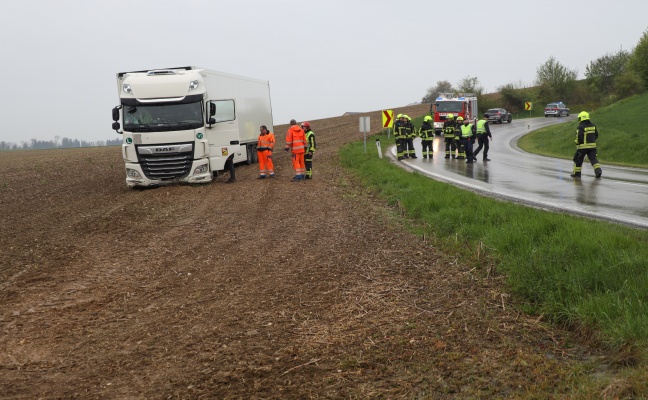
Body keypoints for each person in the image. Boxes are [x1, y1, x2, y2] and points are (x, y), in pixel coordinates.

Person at [571, 111, 602, 178]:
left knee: (578, 160)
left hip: (582, 147)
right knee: (593, 159)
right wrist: (592, 141)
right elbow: (596, 135)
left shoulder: (580, 127)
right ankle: (598, 171)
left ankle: (577, 174)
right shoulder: (593, 126)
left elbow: (579, 137)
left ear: (581, 118)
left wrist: (577, 142)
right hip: (592, 147)